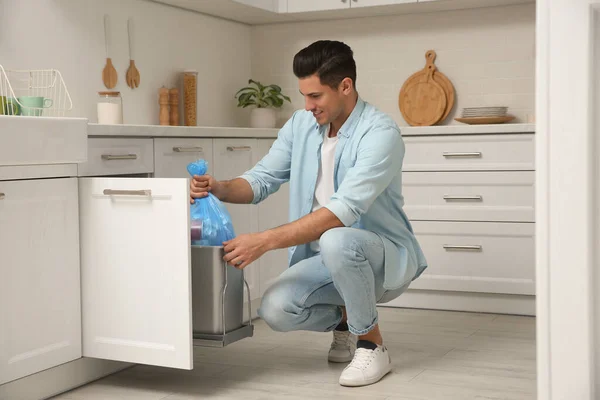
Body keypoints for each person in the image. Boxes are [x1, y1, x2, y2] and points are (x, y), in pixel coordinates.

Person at [189, 40, 427, 387]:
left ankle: (371, 344)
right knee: (275, 309)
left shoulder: (380, 133)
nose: (307, 106)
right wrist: (219, 187)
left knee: (336, 239)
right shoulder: (302, 125)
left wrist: (264, 241)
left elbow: (340, 213)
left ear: (345, 86)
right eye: (304, 95)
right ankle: (346, 321)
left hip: (381, 255)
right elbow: (262, 179)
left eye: (315, 96)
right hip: (327, 256)